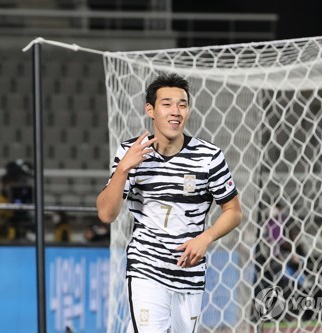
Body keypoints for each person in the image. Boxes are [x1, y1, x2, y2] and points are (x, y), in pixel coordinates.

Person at [96, 73, 242, 333]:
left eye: (182, 104)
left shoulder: (209, 157)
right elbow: (106, 214)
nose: (176, 111)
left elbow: (233, 212)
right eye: (167, 104)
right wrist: (123, 170)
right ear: (150, 110)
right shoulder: (129, 152)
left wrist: (205, 238)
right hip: (146, 267)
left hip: (189, 272)